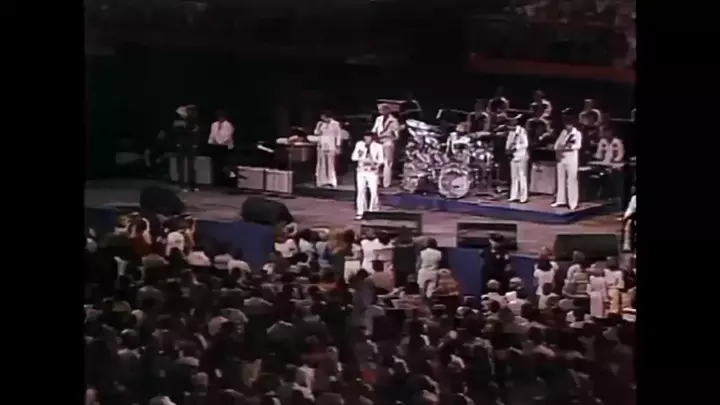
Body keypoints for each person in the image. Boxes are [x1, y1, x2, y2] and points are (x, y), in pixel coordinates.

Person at [552, 109, 583, 210]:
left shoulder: (577, 134)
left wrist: (568, 147)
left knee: (572, 180)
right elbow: (557, 144)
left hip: (571, 158)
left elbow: (578, 146)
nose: (567, 126)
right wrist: (557, 149)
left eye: (569, 124)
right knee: (560, 179)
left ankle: (573, 202)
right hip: (562, 158)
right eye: (566, 124)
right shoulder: (563, 132)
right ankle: (560, 200)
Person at [351, 132, 384, 219]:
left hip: (372, 172)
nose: (367, 139)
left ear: (372, 138)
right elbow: (354, 157)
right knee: (361, 191)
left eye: (369, 137)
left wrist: (375, 164)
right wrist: (362, 158)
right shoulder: (359, 145)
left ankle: (373, 210)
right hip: (361, 171)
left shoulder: (378, 146)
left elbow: (381, 160)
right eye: (365, 137)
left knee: (373, 191)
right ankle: (360, 211)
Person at [371, 104, 400, 188]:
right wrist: (375, 139)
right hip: (378, 142)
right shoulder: (378, 119)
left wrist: (388, 137)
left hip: (388, 142)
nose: (381, 112)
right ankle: (376, 181)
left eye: (382, 110)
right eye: (380, 110)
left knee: (387, 163)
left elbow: (397, 136)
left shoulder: (393, 121)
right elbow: (374, 130)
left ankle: (386, 183)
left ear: (387, 110)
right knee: (377, 161)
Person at [174, 105, 201, 192]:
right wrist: (192, 129)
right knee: (181, 166)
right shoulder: (178, 122)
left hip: (191, 145)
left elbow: (195, 132)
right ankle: (182, 185)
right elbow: (183, 131)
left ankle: (192, 185)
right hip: (181, 145)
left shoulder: (192, 121)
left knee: (191, 166)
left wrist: (195, 142)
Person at [312, 111, 343, 188]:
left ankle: (331, 181)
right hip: (321, 145)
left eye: (323, 116)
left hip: (331, 145)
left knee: (330, 164)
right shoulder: (320, 123)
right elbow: (316, 133)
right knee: (321, 164)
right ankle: (322, 181)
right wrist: (318, 127)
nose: (322, 118)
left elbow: (338, 135)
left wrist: (338, 146)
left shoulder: (335, 123)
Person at [505, 114, 529, 203]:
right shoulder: (511, 133)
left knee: (522, 176)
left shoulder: (522, 131)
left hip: (522, 155)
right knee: (514, 177)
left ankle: (523, 197)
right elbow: (508, 143)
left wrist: (516, 147)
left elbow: (525, 144)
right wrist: (508, 149)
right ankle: (514, 196)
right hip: (513, 156)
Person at [208, 110, 235, 187]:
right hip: (216, 147)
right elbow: (212, 134)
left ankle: (226, 182)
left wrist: (220, 142)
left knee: (225, 165)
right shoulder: (214, 124)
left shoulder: (228, 125)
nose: (220, 118)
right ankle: (217, 181)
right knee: (216, 165)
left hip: (225, 147)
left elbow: (227, 136)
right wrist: (211, 141)